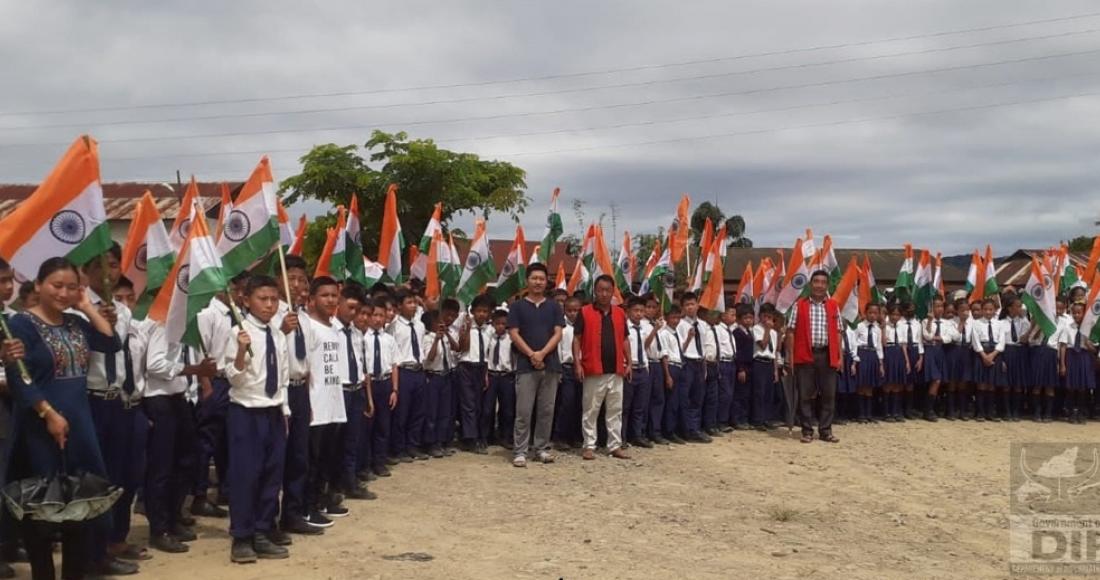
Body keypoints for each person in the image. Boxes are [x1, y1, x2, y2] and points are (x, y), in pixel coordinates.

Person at [1, 257, 119, 580]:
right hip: (39, 428)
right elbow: (20, 379)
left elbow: (111, 341)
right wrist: (48, 413)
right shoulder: (20, 326)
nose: (63, 293)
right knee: (41, 510)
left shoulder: (75, 323)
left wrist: (87, 306)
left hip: (79, 425)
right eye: (56, 286)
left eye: (71, 287)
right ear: (38, 286)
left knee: (78, 509)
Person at [77, 247, 142, 576]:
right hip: (92, 399)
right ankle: (93, 552)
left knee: (123, 476)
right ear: (85, 270)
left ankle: (115, 540)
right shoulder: (77, 307)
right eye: (100, 266)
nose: (108, 273)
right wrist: (98, 320)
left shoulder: (121, 308)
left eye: (114, 265)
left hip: (121, 400)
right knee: (96, 480)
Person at [223, 275, 291, 563]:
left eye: (274, 299)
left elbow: (284, 376)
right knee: (245, 475)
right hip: (246, 412)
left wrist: (285, 411)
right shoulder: (238, 331)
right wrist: (240, 350)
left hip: (273, 410)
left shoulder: (277, 334)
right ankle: (242, 535)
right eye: (262, 299)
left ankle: (263, 529)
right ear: (246, 300)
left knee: (271, 474)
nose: (269, 304)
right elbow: (233, 376)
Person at [145, 296, 218, 553]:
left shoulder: (184, 327)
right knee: (162, 467)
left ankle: (174, 516)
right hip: (159, 399)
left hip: (180, 397)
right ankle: (159, 528)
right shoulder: (162, 324)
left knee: (185, 461)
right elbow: (154, 364)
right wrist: (192, 369)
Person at [273, 255, 319, 537]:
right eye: (292, 278)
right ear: (279, 280)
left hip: (301, 388)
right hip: (280, 389)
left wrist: (310, 398)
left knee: (299, 456)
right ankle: (267, 520)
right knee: (277, 457)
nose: (298, 284)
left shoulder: (305, 318)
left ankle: (292, 513)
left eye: (302, 279)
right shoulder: (272, 313)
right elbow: (264, 350)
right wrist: (281, 330)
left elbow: (308, 361)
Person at [300, 277, 347, 529]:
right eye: (324, 295)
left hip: (334, 405)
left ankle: (322, 500)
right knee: (311, 461)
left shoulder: (334, 328)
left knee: (328, 459)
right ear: (312, 300)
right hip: (315, 407)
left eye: (333, 295)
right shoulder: (309, 327)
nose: (330, 300)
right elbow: (304, 368)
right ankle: (307, 507)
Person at [506, 263, 564, 467]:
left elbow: (558, 333)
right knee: (523, 410)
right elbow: (514, 333)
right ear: (527, 281)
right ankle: (520, 450)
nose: (538, 282)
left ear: (547, 281)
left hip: (550, 365)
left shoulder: (554, 306)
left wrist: (542, 353)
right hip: (525, 365)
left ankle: (541, 448)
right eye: (534, 278)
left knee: (546, 410)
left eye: (542, 278)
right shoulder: (517, 307)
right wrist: (532, 354)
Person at [572, 275, 631, 460]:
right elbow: (577, 339)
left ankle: (614, 445)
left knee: (615, 410)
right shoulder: (585, 312)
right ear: (595, 291)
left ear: (613, 292)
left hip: (616, 370)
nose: (604, 293)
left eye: (607, 290)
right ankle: (589, 445)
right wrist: (577, 362)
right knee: (590, 409)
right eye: (600, 290)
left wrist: (629, 362)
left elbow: (624, 339)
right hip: (593, 368)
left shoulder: (620, 313)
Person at [784, 270, 842, 444]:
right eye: (816, 281)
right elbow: (790, 331)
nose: (819, 285)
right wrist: (791, 356)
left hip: (827, 354)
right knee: (805, 394)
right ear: (810, 284)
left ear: (827, 285)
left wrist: (839, 356)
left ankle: (825, 430)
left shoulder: (833, 305)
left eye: (823, 282)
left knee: (828, 394)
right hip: (805, 354)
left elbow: (839, 332)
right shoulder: (799, 305)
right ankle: (807, 430)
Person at [193, 292, 235, 519]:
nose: (238, 293)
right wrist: (206, 384)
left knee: (227, 440)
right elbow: (202, 351)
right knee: (207, 440)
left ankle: (226, 489)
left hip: (232, 382)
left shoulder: (237, 314)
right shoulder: (208, 314)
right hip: (214, 382)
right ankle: (199, 494)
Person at [333, 284, 373, 501]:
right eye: (350, 307)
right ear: (339, 304)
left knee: (352, 440)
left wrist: (367, 397)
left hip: (356, 390)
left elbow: (360, 364)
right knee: (335, 442)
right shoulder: (331, 330)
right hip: (339, 391)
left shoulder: (357, 334)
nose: (354, 313)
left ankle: (350, 482)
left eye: (357, 309)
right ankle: (334, 485)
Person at [387, 290, 428, 462]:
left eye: (415, 302)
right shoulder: (394, 327)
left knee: (418, 412)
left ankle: (413, 445)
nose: (413, 306)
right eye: (409, 302)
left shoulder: (420, 325)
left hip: (418, 370)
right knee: (401, 413)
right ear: (399, 306)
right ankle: (399, 447)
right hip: (403, 371)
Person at [363, 297, 398, 478]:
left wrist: (395, 390)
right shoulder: (363, 338)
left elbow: (394, 365)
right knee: (368, 426)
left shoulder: (389, 340)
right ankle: (366, 464)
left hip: (385, 383)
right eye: (374, 315)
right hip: (370, 383)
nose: (377, 319)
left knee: (383, 426)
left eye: (381, 316)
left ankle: (380, 462)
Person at [456, 295, 493, 454]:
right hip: (466, 366)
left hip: (481, 367)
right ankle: (471, 439)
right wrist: (466, 328)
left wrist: (486, 372)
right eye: (479, 311)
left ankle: (477, 435)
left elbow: (488, 353)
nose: (482, 314)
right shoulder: (465, 326)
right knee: (468, 404)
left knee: (478, 404)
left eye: (485, 311)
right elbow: (462, 348)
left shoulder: (489, 330)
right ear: (472, 311)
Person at [674, 292, 712, 443]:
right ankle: (686, 430)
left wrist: (705, 364)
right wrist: (689, 337)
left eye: (692, 304)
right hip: (687, 362)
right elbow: (679, 348)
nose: (690, 307)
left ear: (697, 305)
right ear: (683, 308)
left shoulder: (703, 325)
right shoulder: (680, 325)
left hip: (699, 362)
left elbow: (704, 346)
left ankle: (695, 428)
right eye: (687, 305)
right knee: (685, 397)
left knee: (698, 397)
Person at [552, 296, 582, 449]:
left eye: (576, 310)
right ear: (564, 310)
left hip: (582, 368)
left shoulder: (583, 326)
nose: (573, 314)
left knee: (580, 404)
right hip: (567, 368)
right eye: (569, 310)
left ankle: (576, 436)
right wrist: (558, 371)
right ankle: (560, 437)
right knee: (566, 403)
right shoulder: (561, 328)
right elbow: (557, 351)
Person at [1058, 301, 1094, 425]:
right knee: (1071, 387)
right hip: (1071, 356)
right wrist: (1062, 364)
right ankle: (1072, 411)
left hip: (1084, 357)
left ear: (1084, 314)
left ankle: (1081, 411)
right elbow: (1063, 346)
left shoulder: (1090, 328)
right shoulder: (1068, 327)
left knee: (1083, 388)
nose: (1076, 315)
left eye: (1079, 313)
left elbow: (1094, 349)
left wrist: (1089, 344)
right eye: (1074, 313)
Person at [623, 296, 651, 449]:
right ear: (628, 312)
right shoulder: (624, 327)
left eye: (641, 311)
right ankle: (622, 437)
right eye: (636, 311)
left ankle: (637, 435)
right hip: (630, 369)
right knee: (625, 406)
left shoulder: (645, 328)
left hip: (643, 368)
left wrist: (654, 331)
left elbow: (645, 347)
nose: (639, 314)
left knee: (640, 406)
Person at [970, 298, 1005, 422]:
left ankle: (990, 412)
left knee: (991, 384)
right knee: (982, 384)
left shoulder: (1000, 324)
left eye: (991, 309)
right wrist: (984, 356)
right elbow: (975, 341)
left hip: (995, 353)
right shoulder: (976, 323)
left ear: (995, 310)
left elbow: (1001, 342)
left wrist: (993, 355)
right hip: (981, 354)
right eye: (985, 309)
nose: (988, 312)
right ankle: (980, 412)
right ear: (982, 310)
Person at [921, 297, 955, 422]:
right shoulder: (925, 321)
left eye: (941, 306)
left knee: (938, 381)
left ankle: (932, 407)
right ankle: (928, 410)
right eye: (936, 306)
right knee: (936, 379)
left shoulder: (947, 322)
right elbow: (927, 336)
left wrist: (941, 338)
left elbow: (951, 337)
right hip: (930, 351)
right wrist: (930, 321)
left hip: (941, 352)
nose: (939, 309)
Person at [642, 295, 670, 446]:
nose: (651, 310)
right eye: (648, 307)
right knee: (644, 400)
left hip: (658, 363)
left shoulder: (660, 324)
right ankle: (642, 432)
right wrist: (654, 330)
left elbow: (663, 351)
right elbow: (644, 345)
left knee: (658, 399)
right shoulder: (642, 324)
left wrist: (667, 373)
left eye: (654, 307)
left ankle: (655, 431)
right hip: (647, 363)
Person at [485, 309, 515, 450]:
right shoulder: (488, 337)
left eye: (504, 324)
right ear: (493, 323)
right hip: (491, 374)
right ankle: (487, 435)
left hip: (506, 375)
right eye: (498, 323)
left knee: (507, 408)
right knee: (488, 408)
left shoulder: (511, 338)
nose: (501, 326)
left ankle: (506, 436)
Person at [999, 297, 1030, 422]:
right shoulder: (1001, 323)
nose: (1020, 309)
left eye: (1020, 306)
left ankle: (1016, 411)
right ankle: (1007, 411)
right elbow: (1000, 342)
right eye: (1017, 306)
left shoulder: (1024, 322)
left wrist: (1030, 324)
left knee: (1018, 384)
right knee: (1006, 384)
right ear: (1009, 308)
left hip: (1019, 352)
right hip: (1007, 351)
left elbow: (1024, 339)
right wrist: (1001, 359)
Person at [660, 305, 686, 445]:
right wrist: (668, 375)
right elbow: (665, 355)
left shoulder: (677, 333)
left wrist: (689, 338)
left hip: (680, 365)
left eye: (678, 318)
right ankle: (668, 431)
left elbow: (681, 349)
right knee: (670, 401)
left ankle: (674, 429)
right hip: (671, 367)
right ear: (667, 318)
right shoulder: (665, 333)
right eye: (673, 317)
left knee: (677, 401)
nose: (675, 320)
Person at [855, 304, 884, 423]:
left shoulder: (878, 329)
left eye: (875, 313)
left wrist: (881, 363)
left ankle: (869, 413)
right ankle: (861, 414)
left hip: (873, 356)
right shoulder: (859, 326)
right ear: (866, 313)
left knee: (870, 385)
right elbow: (854, 343)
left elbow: (879, 346)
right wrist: (855, 359)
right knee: (862, 384)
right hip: (862, 354)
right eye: (870, 313)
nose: (873, 315)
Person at [881, 303, 910, 423]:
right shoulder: (885, 327)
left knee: (898, 384)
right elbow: (883, 343)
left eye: (897, 314)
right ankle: (886, 412)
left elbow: (903, 345)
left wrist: (907, 361)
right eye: (893, 314)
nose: (895, 317)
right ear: (889, 314)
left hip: (899, 354)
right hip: (889, 353)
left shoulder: (902, 327)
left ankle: (896, 411)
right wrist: (883, 329)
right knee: (889, 383)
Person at [751, 307, 779, 431]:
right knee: (759, 392)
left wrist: (775, 370)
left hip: (769, 363)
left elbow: (774, 353)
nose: (767, 319)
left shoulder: (774, 332)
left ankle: (767, 418)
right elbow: (763, 345)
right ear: (760, 316)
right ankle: (758, 420)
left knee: (769, 393)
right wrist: (767, 329)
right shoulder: (756, 329)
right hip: (759, 362)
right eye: (765, 316)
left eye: (769, 317)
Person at [730, 305, 755, 430]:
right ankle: (736, 419)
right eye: (746, 318)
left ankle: (744, 418)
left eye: (751, 318)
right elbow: (737, 352)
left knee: (746, 395)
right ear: (739, 320)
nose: (748, 320)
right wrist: (740, 369)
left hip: (750, 366)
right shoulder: (737, 333)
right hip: (742, 366)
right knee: (739, 394)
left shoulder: (749, 332)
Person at [714, 305, 737, 432]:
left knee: (730, 394)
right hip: (722, 363)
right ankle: (720, 421)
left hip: (731, 362)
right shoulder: (718, 329)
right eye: (731, 314)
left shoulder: (731, 330)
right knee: (724, 394)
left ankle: (725, 419)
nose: (734, 317)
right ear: (723, 315)